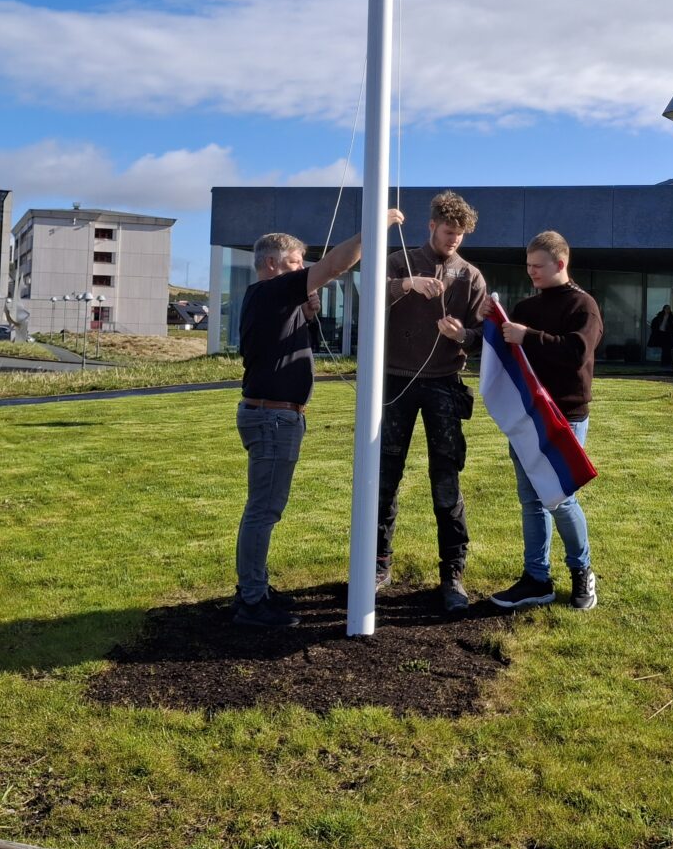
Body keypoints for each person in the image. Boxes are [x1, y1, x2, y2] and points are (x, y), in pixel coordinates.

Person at [232, 207, 405, 628]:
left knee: (264, 509)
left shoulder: (273, 299)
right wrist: (372, 228)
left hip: (274, 416)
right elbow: (332, 266)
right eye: (294, 263)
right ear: (271, 264)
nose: (301, 270)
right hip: (272, 419)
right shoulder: (271, 291)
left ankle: (255, 588)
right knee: (263, 511)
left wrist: (307, 317)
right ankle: (251, 600)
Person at [377, 191, 489, 612]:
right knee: (385, 476)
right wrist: (406, 284)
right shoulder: (399, 260)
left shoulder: (471, 276)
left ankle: (452, 573)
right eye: (448, 232)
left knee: (446, 479)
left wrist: (464, 335)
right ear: (431, 226)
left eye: (460, 235)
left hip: (445, 382)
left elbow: (484, 335)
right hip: (396, 382)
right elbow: (368, 297)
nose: (453, 240)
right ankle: (378, 563)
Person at [484, 231, 603, 612]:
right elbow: (507, 350)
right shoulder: (526, 306)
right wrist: (475, 330)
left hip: (565, 417)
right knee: (531, 501)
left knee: (560, 498)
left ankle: (582, 571)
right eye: (528, 266)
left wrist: (528, 336)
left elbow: (576, 352)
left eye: (538, 266)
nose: (531, 272)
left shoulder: (584, 306)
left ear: (560, 263)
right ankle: (536, 578)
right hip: (527, 416)